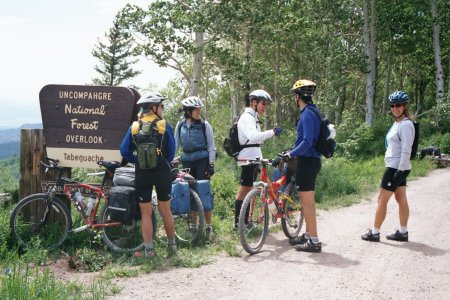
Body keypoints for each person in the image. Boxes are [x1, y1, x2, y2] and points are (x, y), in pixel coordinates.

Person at [120, 92, 177, 257]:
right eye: (162, 106)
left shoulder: (135, 127)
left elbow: (124, 151)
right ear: (153, 107)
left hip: (142, 173)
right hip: (161, 172)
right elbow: (172, 152)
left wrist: (137, 160)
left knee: (146, 213)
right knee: (165, 210)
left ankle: (149, 251)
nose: (163, 109)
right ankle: (172, 247)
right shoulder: (164, 125)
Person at [361, 91, 415, 242]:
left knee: (381, 199)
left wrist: (400, 170)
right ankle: (403, 232)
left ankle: (374, 232)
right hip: (397, 166)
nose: (395, 108)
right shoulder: (397, 123)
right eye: (393, 105)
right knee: (400, 197)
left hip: (396, 167)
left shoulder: (405, 125)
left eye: (398, 105)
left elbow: (406, 149)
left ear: (404, 106)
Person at [234, 89, 282, 229]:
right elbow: (253, 137)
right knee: (245, 189)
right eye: (263, 103)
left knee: (248, 190)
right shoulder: (247, 117)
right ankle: (238, 223)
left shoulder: (253, 117)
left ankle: (245, 222)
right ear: (254, 102)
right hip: (247, 159)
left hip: (254, 158)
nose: (265, 107)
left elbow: (256, 142)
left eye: (266, 104)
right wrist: (272, 132)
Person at [285, 79, 323, 253]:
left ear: (297, 96)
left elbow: (308, 141)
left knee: (307, 204)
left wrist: (291, 154)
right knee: (309, 202)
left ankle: (314, 241)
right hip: (312, 161)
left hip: (307, 161)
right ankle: (308, 235)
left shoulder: (307, 114)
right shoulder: (314, 111)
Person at [174, 96, 217, 238]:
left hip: (202, 162)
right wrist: (170, 160)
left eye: (199, 109)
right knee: (189, 193)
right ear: (188, 111)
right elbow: (175, 145)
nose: (199, 111)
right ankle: (193, 226)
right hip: (187, 162)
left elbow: (212, 147)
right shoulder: (180, 126)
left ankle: (209, 227)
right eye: (195, 109)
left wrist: (211, 164)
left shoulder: (205, 125)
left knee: (203, 192)